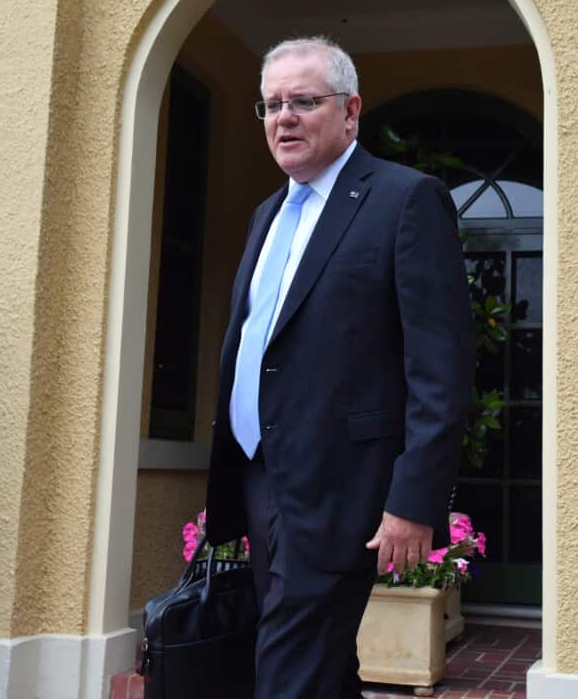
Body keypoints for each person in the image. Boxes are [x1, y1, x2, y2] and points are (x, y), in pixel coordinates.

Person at [202, 36, 474, 699]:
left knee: (290, 668)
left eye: (303, 101)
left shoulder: (406, 200)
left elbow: (441, 368)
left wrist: (413, 500)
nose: (283, 117)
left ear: (351, 111)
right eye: (270, 105)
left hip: (341, 489)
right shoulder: (267, 215)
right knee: (318, 667)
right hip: (262, 478)